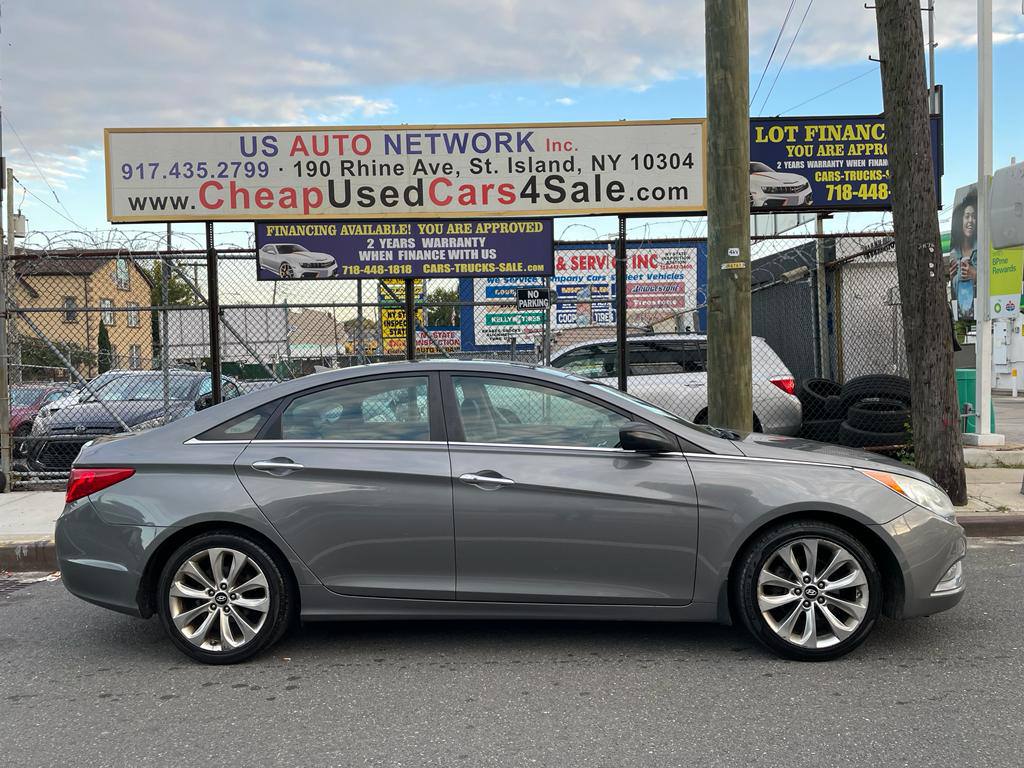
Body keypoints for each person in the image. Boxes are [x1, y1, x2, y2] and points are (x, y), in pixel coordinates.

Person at [948, 188, 978, 320]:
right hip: (962, 313)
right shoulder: (954, 253)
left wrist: (976, 276)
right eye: (967, 216)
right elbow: (954, 290)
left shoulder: (983, 249)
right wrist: (952, 279)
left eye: (974, 217)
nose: (970, 221)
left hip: (983, 309)